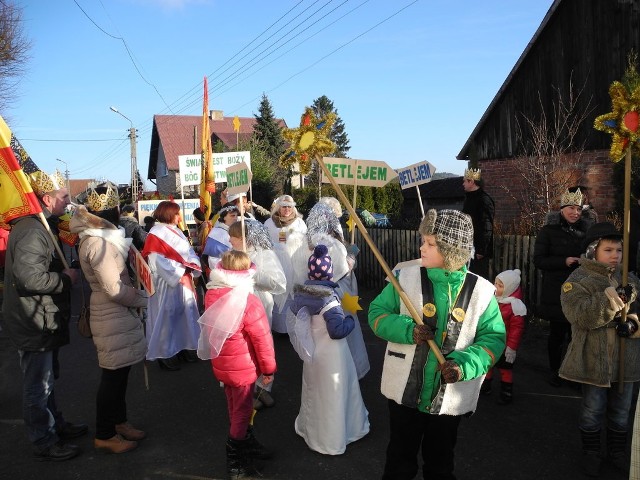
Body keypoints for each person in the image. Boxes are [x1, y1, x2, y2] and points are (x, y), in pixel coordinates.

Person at [368, 209, 506, 480]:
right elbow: (377, 314)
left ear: (451, 249)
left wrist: (464, 366)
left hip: (448, 400)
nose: (422, 247)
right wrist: (408, 330)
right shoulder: (404, 277)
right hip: (404, 394)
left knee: (441, 462)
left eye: (431, 244)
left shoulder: (481, 291)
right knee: (399, 458)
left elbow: (493, 339)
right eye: (424, 241)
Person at [2, 169, 86, 461]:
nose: (67, 201)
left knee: (47, 381)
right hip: (33, 320)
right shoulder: (31, 230)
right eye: (64, 196)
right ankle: (44, 439)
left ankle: (55, 425)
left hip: (42, 319)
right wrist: (65, 279)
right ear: (47, 199)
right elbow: (29, 279)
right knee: (38, 386)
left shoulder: (40, 226)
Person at [70, 187, 148, 454]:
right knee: (112, 376)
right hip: (111, 313)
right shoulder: (98, 242)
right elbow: (114, 289)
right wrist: (142, 298)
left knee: (120, 372)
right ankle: (104, 434)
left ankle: (119, 422)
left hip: (114, 313)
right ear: (112, 212)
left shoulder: (101, 237)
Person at [558, 222, 640, 476]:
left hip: (627, 358)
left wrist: (634, 323)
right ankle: (591, 453)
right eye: (608, 250)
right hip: (593, 358)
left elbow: (639, 313)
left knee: (622, 410)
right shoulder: (577, 280)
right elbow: (581, 317)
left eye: (619, 250)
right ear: (594, 251)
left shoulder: (631, 278)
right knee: (593, 409)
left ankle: (617, 452)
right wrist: (614, 298)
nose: (615, 255)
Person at [196, 250, 276, 479]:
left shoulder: (213, 293)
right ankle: (236, 462)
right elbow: (262, 339)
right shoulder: (248, 300)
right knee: (242, 412)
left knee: (235, 408)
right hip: (243, 366)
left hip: (223, 364)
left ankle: (247, 444)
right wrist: (268, 369)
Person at [289, 244, 369, 455]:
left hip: (313, 352)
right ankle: (335, 437)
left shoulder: (301, 297)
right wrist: (350, 321)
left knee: (316, 390)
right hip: (333, 354)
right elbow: (337, 330)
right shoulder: (329, 300)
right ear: (329, 272)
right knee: (335, 390)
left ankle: (313, 429)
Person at [291, 199, 370, 379]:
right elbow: (342, 268)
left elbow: (301, 270)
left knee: (320, 333)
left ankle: (322, 369)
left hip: (313, 296)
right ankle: (350, 369)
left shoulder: (305, 243)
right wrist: (350, 258)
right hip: (336, 294)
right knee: (342, 327)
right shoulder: (331, 243)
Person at [533, 187, 595, 387]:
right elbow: (539, 260)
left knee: (577, 335)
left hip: (582, 288)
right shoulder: (548, 231)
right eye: (571, 208)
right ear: (562, 209)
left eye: (578, 209)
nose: (575, 213)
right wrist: (564, 261)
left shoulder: (587, 231)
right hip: (557, 289)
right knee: (558, 334)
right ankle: (556, 371)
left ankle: (573, 372)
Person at [228, 219, 285, 410]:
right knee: (243, 349)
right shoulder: (232, 255)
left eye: (233, 237)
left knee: (261, 347)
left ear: (246, 238)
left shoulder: (265, 255)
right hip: (237, 308)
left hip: (259, 306)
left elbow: (278, 283)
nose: (229, 241)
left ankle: (263, 388)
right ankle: (245, 389)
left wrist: (252, 273)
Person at [141, 201, 202, 371]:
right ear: (167, 214)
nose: (180, 217)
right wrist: (181, 270)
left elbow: (188, 251)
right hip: (167, 283)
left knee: (185, 313)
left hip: (182, 278)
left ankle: (185, 345)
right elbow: (156, 260)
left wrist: (192, 263)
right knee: (168, 315)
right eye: (176, 214)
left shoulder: (176, 231)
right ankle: (165, 352)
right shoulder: (155, 233)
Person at [481, 269, 526, 405]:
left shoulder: (515, 307)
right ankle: (485, 386)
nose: (495, 287)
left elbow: (516, 330)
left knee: (504, 369)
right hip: (491, 341)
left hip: (505, 345)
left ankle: (506, 391)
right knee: (488, 364)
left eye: (500, 286)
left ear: (510, 288)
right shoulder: (493, 300)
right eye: (495, 283)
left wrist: (511, 348)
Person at [263, 195, 307, 334]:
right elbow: (264, 241)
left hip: (295, 265)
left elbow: (305, 242)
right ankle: (279, 327)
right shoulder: (270, 223)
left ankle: (293, 328)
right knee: (278, 294)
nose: (287, 209)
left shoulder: (299, 223)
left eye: (289, 207)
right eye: (284, 207)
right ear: (278, 208)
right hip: (276, 264)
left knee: (292, 293)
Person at [461, 168, 495, 279]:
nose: (463, 184)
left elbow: (486, 226)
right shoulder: (468, 199)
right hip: (467, 248)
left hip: (478, 251)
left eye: (465, 181)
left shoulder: (484, 200)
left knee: (478, 280)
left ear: (471, 182)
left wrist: (481, 250)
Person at [203, 203, 239, 272]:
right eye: (232, 215)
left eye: (236, 216)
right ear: (224, 217)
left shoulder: (235, 230)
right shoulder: (216, 234)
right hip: (223, 273)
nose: (235, 218)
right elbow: (213, 260)